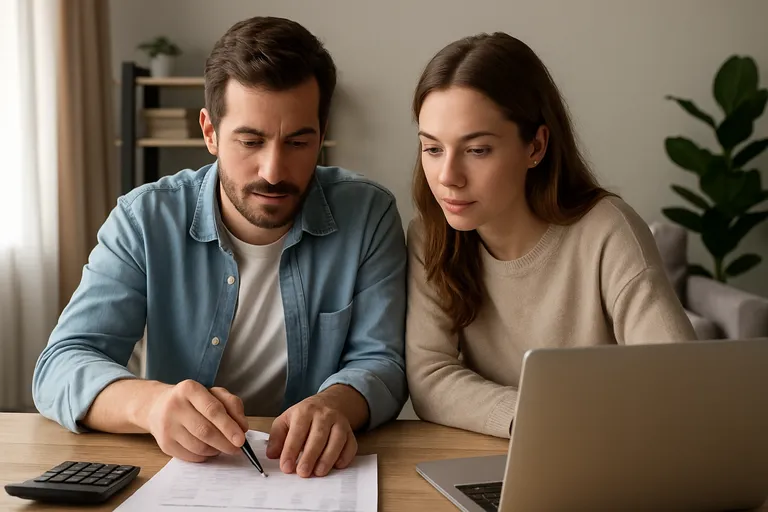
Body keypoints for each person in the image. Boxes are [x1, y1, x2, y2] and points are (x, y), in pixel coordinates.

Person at [33, 16, 408, 478]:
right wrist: (151, 406)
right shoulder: (144, 219)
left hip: (314, 479)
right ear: (210, 132)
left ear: (322, 131)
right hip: (182, 477)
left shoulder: (369, 214)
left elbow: (383, 361)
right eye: (250, 141)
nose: (273, 169)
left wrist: (336, 404)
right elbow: (61, 364)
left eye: (298, 142)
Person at [405, 32, 696, 438]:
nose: (448, 178)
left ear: (536, 146)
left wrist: (561, 424)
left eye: (477, 150)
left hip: (611, 452)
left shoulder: (607, 230)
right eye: (432, 149)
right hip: (500, 457)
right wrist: (537, 418)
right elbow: (429, 377)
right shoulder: (430, 235)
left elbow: (681, 378)